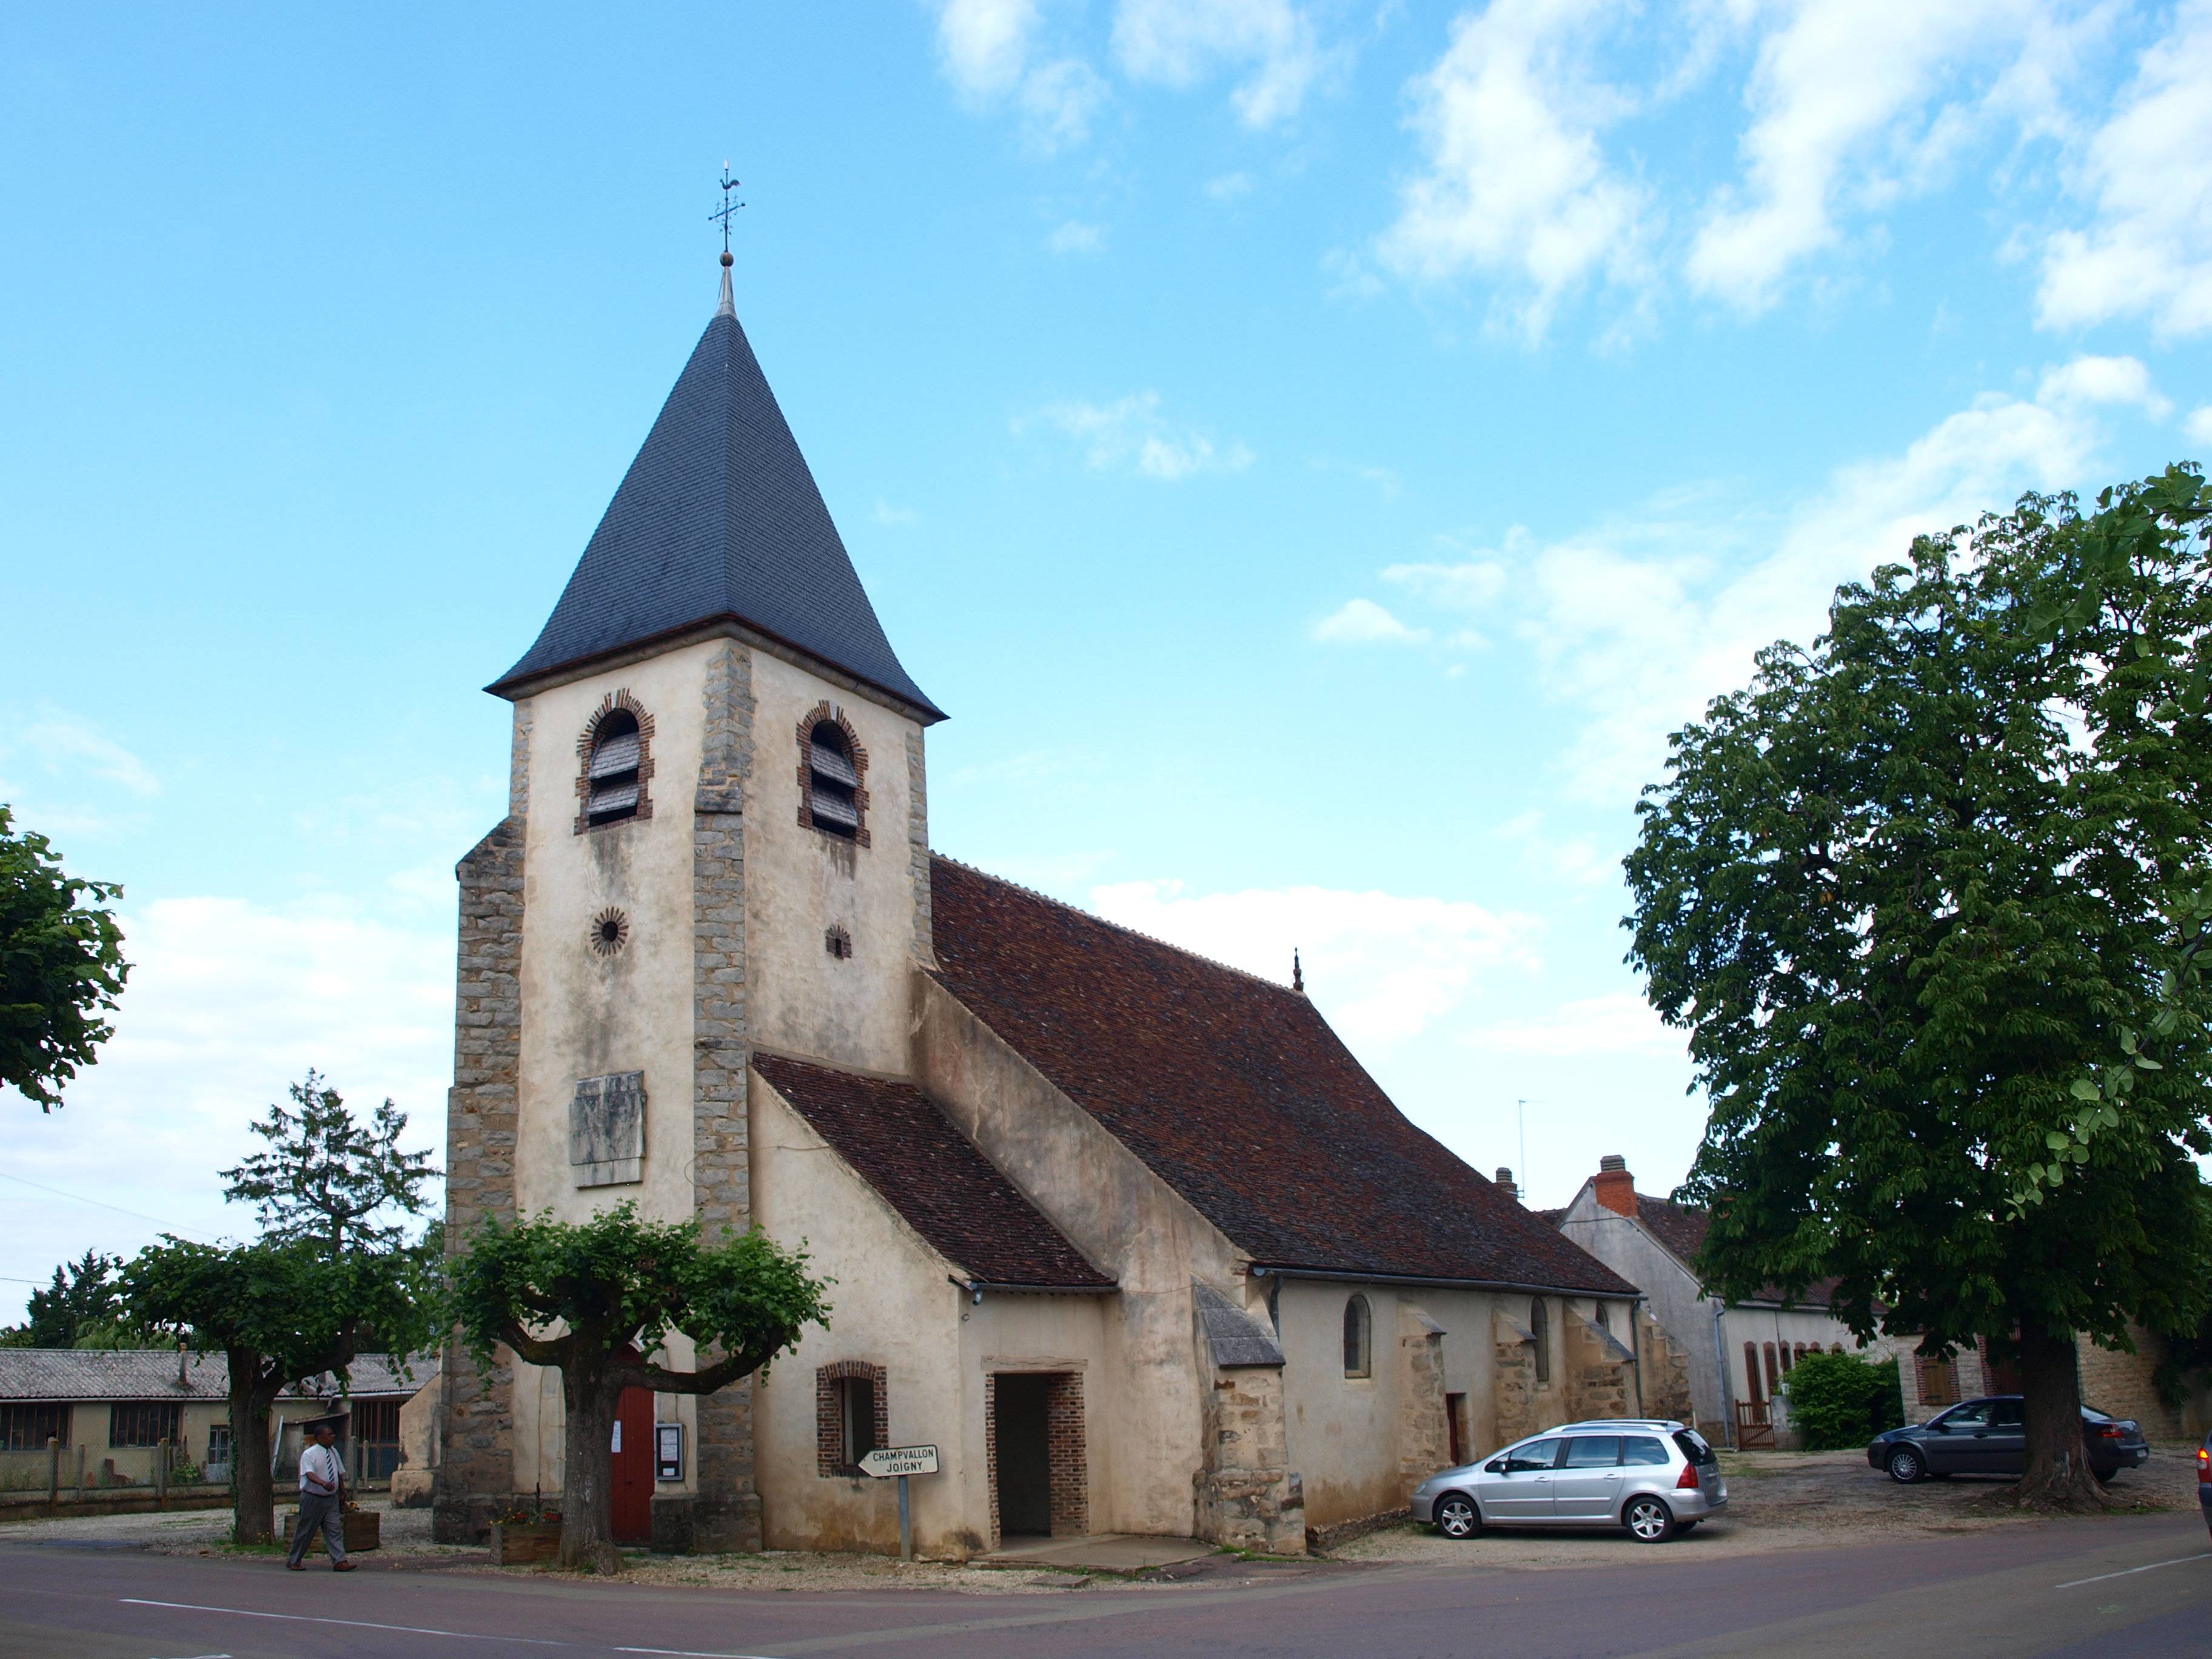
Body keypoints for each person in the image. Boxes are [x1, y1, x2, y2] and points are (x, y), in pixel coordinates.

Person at [286, 1421, 354, 1571]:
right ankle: (295, 1560)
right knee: (306, 1530)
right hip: (313, 1497)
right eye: (329, 1435)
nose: (333, 1437)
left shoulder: (334, 1452)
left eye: (332, 1434)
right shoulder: (309, 1454)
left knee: (334, 1529)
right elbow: (309, 1474)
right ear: (319, 1437)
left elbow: (338, 1472)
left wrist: (342, 1490)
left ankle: (340, 1561)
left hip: (331, 1499)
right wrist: (323, 1483)